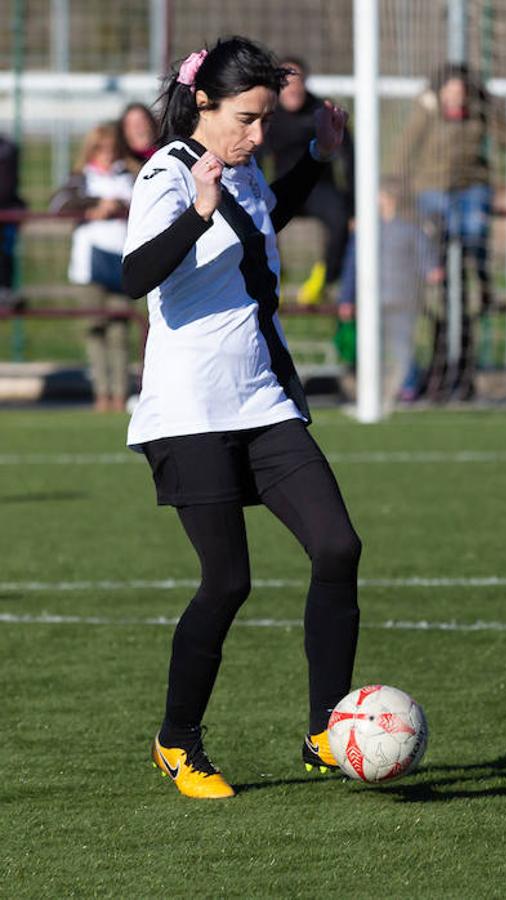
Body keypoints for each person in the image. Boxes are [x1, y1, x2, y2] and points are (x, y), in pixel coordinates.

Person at [121, 36, 361, 799]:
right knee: (227, 583)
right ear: (205, 105)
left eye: (265, 121)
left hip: (262, 401)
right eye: (247, 119)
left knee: (338, 545)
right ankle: (177, 741)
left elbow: (262, 225)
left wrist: (318, 158)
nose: (258, 135)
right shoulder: (165, 174)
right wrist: (197, 209)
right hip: (190, 412)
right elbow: (136, 276)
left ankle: (327, 730)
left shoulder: (246, 170)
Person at [393, 62, 506, 400]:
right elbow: (404, 153)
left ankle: (479, 275)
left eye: (462, 92)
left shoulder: (478, 114)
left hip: (470, 188)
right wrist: (393, 186)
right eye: (451, 92)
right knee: (436, 226)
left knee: (471, 226)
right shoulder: (426, 115)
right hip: (435, 190)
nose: (457, 98)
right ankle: (438, 269)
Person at [49, 122, 138, 412]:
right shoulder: (81, 177)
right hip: (89, 265)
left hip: (121, 261)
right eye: (101, 149)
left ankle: (120, 393)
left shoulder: (128, 175)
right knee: (95, 329)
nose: (107, 155)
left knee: (120, 332)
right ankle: (101, 393)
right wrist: (95, 204)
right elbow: (58, 205)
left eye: (112, 149)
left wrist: (119, 206)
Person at [335, 176, 443, 409]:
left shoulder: (410, 230)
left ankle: (407, 387)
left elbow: (426, 259)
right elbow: (352, 265)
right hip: (371, 300)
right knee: (372, 345)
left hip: (403, 298)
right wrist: (346, 298)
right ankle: (374, 388)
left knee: (402, 344)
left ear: (389, 199)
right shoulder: (365, 230)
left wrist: (432, 270)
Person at [260, 55, 355, 303]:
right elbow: (257, 157)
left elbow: (349, 158)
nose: (292, 87)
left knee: (340, 215)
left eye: (296, 80)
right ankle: (271, 275)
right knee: (258, 216)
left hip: (319, 188)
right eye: (285, 82)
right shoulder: (269, 115)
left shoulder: (321, 111)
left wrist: (354, 205)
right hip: (284, 187)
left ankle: (325, 277)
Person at [0, 133, 24, 308]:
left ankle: (5, 290)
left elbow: (7, 188)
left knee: (5, 253)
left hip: (6, 213)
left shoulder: (7, 148)